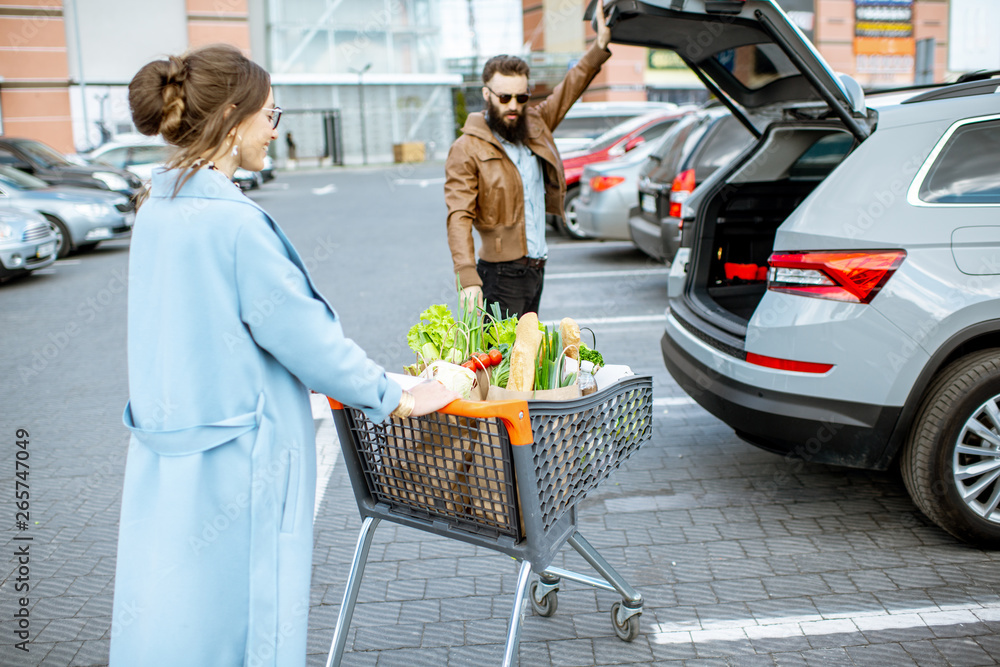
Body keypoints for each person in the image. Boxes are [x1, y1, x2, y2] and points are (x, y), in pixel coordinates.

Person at [110, 44, 456, 667]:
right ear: (234, 118)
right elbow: (310, 342)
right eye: (271, 115)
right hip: (242, 465)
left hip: (169, 457)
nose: (275, 131)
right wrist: (401, 396)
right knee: (248, 629)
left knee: (174, 623)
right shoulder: (237, 226)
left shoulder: (155, 210)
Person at [445, 0, 612, 319]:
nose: (513, 106)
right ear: (486, 94)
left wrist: (600, 46)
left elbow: (570, 87)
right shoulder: (466, 148)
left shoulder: (535, 124)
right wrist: (468, 279)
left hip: (537, 269)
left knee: (526, 359)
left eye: (521, 97)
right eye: (504, 97)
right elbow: (458, 216)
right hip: (499, 275)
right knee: (499, 364)